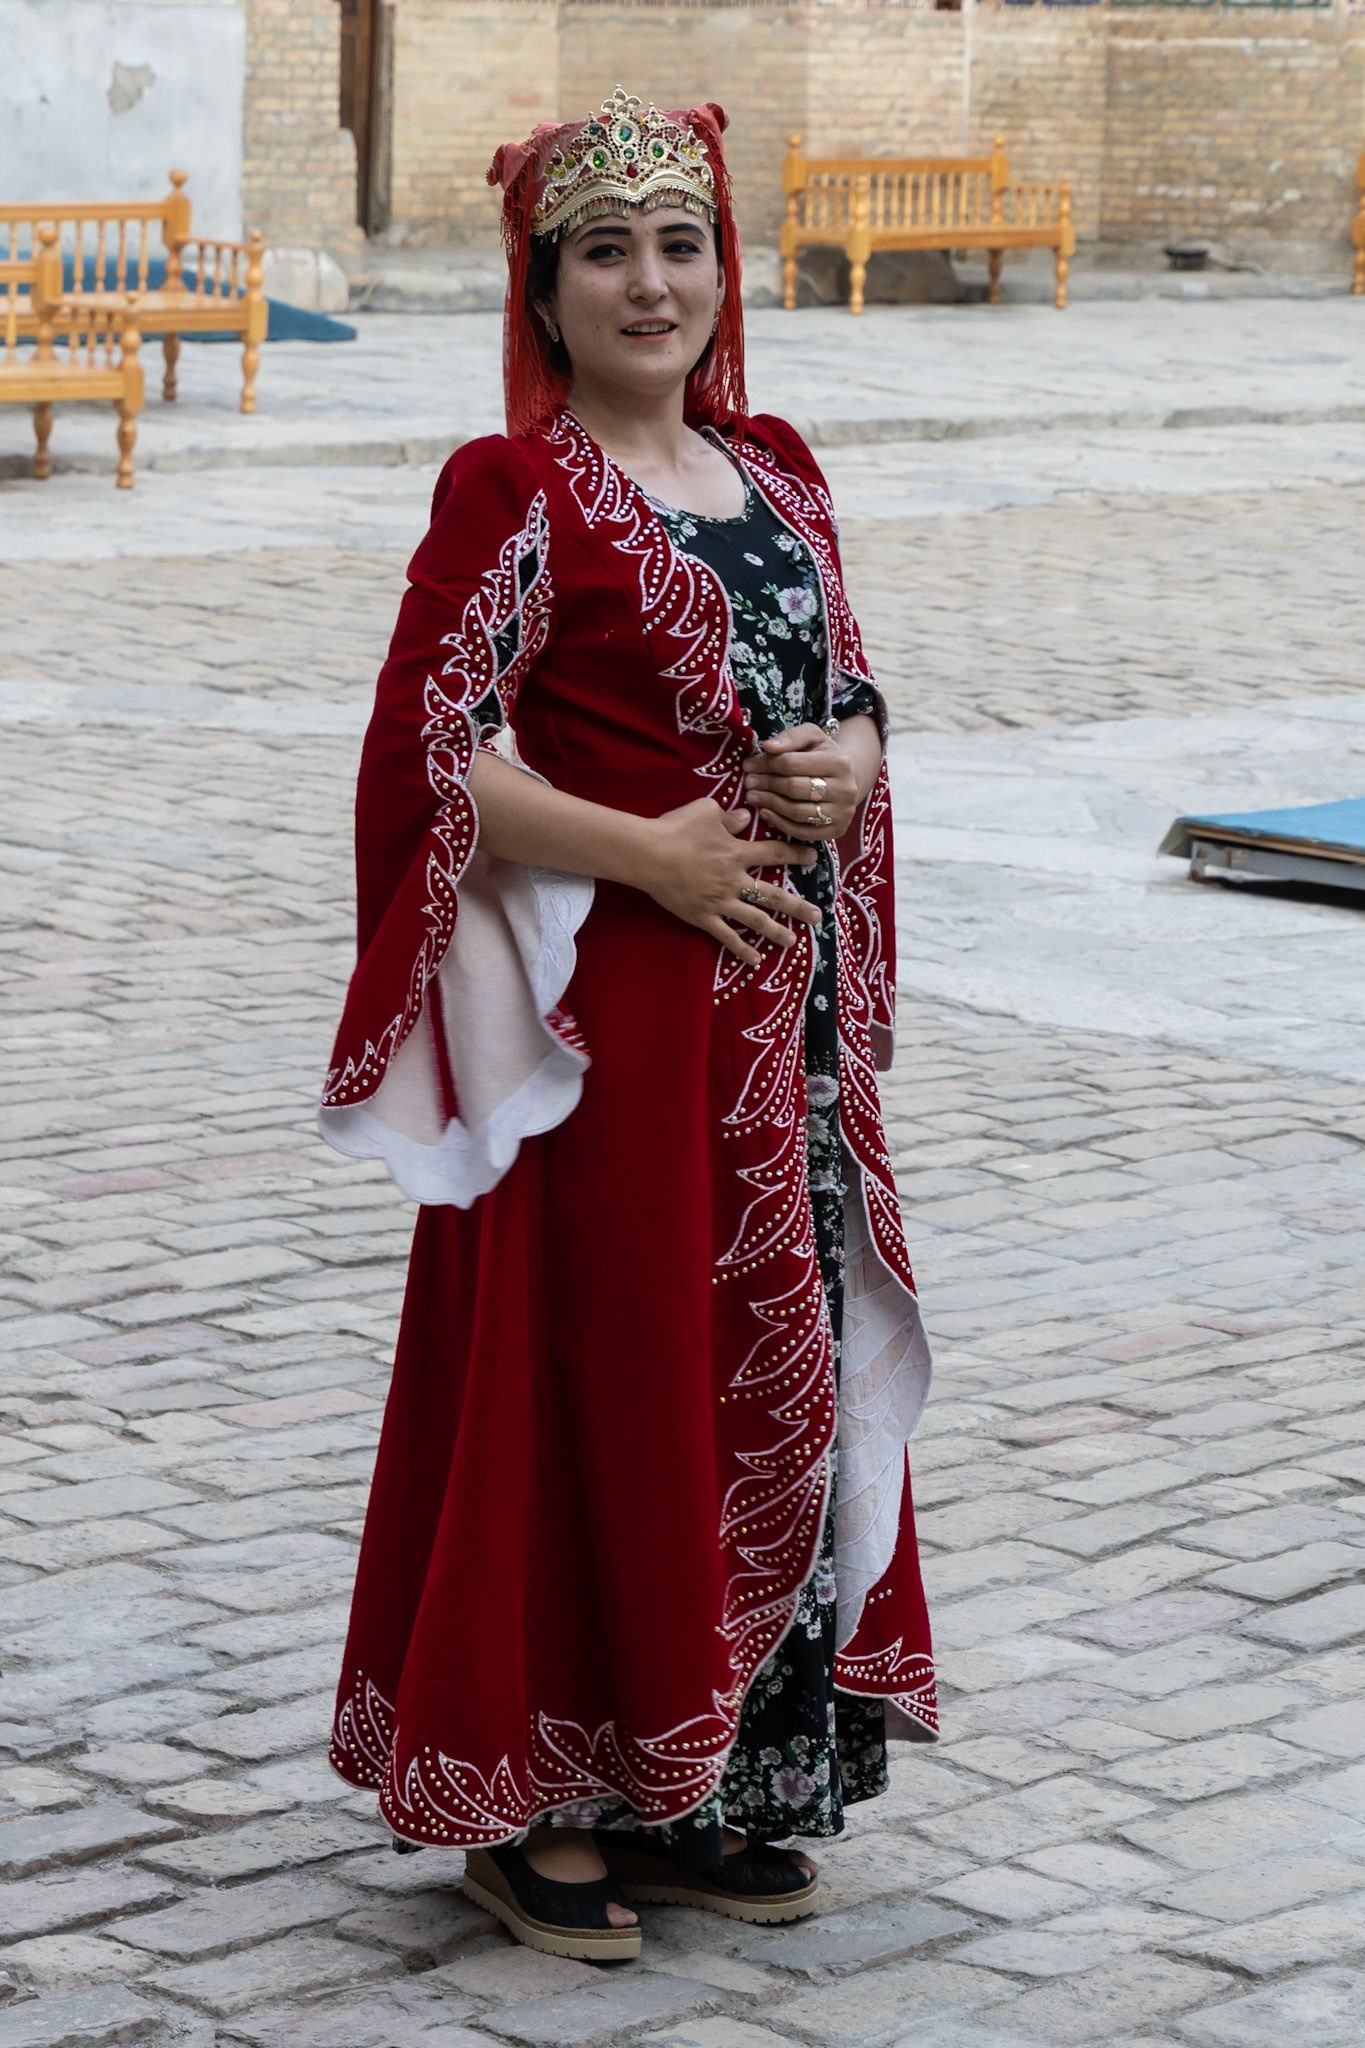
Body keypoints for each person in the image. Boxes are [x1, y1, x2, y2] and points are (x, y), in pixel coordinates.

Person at [321, 86, 936, 1965]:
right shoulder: (511, 492)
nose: (649, 284)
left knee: (771, 1375)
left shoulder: (781, 471)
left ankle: (708, 1785)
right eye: (606, 252)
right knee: (604, 1376)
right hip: (616, 1033)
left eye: (678, 246)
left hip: (784, 1028)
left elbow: (840, 678)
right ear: (545, 287)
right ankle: (545, 1800)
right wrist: (648, 858)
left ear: (717, 267)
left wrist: (856, 749)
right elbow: (427, 758)